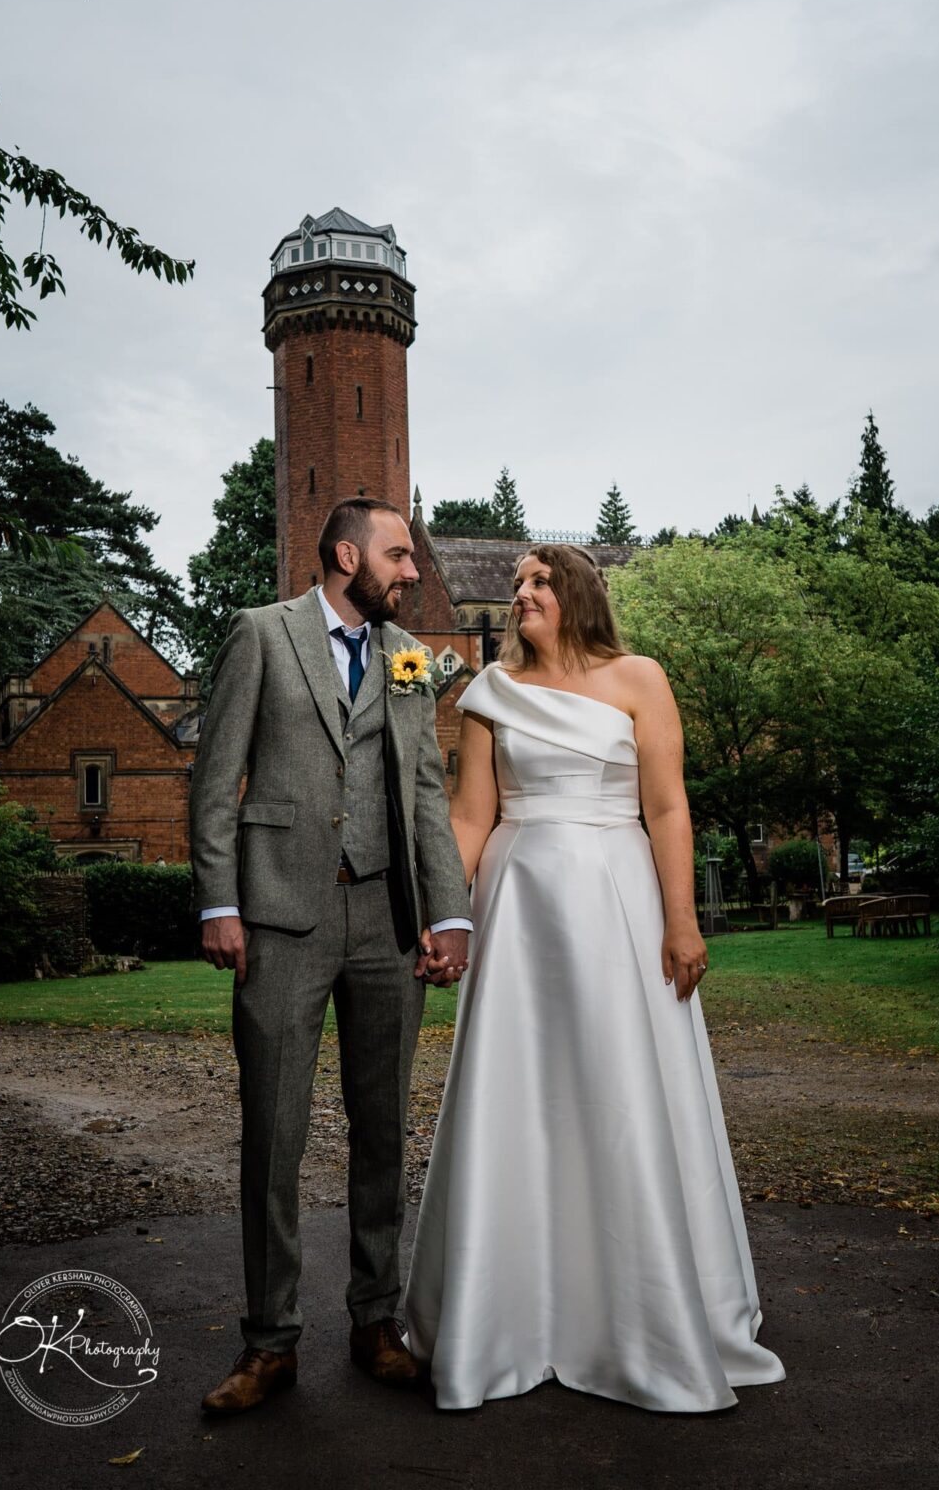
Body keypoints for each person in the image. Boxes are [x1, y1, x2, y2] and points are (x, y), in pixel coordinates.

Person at [405, 543, 785, 1412]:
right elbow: (471, 815)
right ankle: (509, 1315)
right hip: (521, 912)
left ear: (577, 595)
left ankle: (645, 1312)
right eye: (515, 585)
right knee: (522, 1096)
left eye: (539, 582)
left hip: (620, 906)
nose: (521, 594)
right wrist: (444, 917)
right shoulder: (487, 695)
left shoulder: (640, 680)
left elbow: (666, 805)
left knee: (622, 1091)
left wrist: (683, 920)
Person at [191, 497, 472, 1414]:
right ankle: (269, 1343)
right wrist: (221, 902)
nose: (413, 571)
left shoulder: (408, 662)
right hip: (278, 919)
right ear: (347, 555)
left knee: (383, 1131)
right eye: (399, 555)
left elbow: (426, 790)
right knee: (273, 1134)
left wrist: (449, 914)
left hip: (386, 922)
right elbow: (215, 775)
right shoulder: (261, 635)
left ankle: (374, 1322)